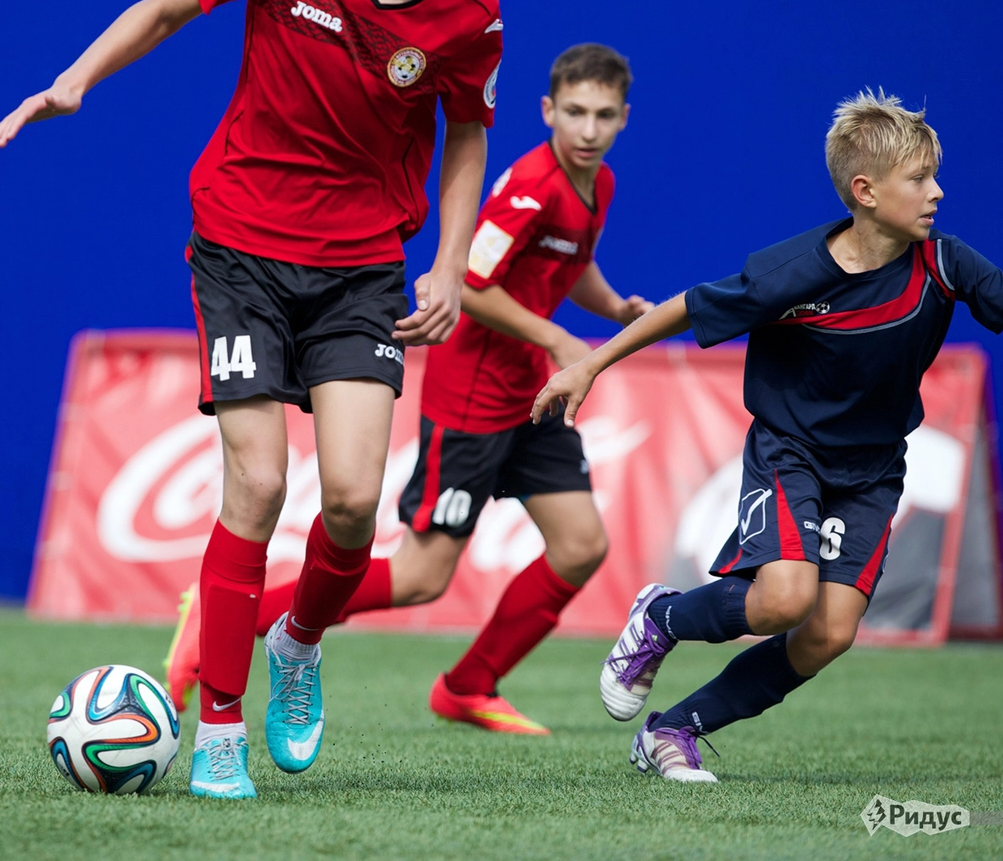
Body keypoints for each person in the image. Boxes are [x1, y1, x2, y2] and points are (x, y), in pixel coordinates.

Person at [0, 0, 501, 798]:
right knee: (258, 486)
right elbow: (166, 7)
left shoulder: (469, 14)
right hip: (242, 248)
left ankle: (298, 641)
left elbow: (467, 136)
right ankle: (219, 728)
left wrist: (450, 264)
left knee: (351, 502)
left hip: (361, 265)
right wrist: (76, 79)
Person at [534, 89, 1003, 782]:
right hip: (789, 453)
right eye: (919, 179)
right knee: (783, 600)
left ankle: (674, 730)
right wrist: (591, 365)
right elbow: (685, 309)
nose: (937, 192)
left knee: (827, 634)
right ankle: (662, 618)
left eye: (934, 176)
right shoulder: (793, 274)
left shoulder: (945, 262)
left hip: (873, 471)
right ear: (865, 192)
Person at [171, 44, 652, 736]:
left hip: (533, 393)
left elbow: (570, 261)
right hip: (474, 397)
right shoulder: (531, 187)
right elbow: (472, 287)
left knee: (580, 545)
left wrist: (612, 308)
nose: (588, 129)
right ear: (548, 110)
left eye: (603, 116)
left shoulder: (597, 183)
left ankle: (469, 685)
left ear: (624, 118)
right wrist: (554, 337)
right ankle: (230, 618)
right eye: (575, 112)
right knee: (423, 574)